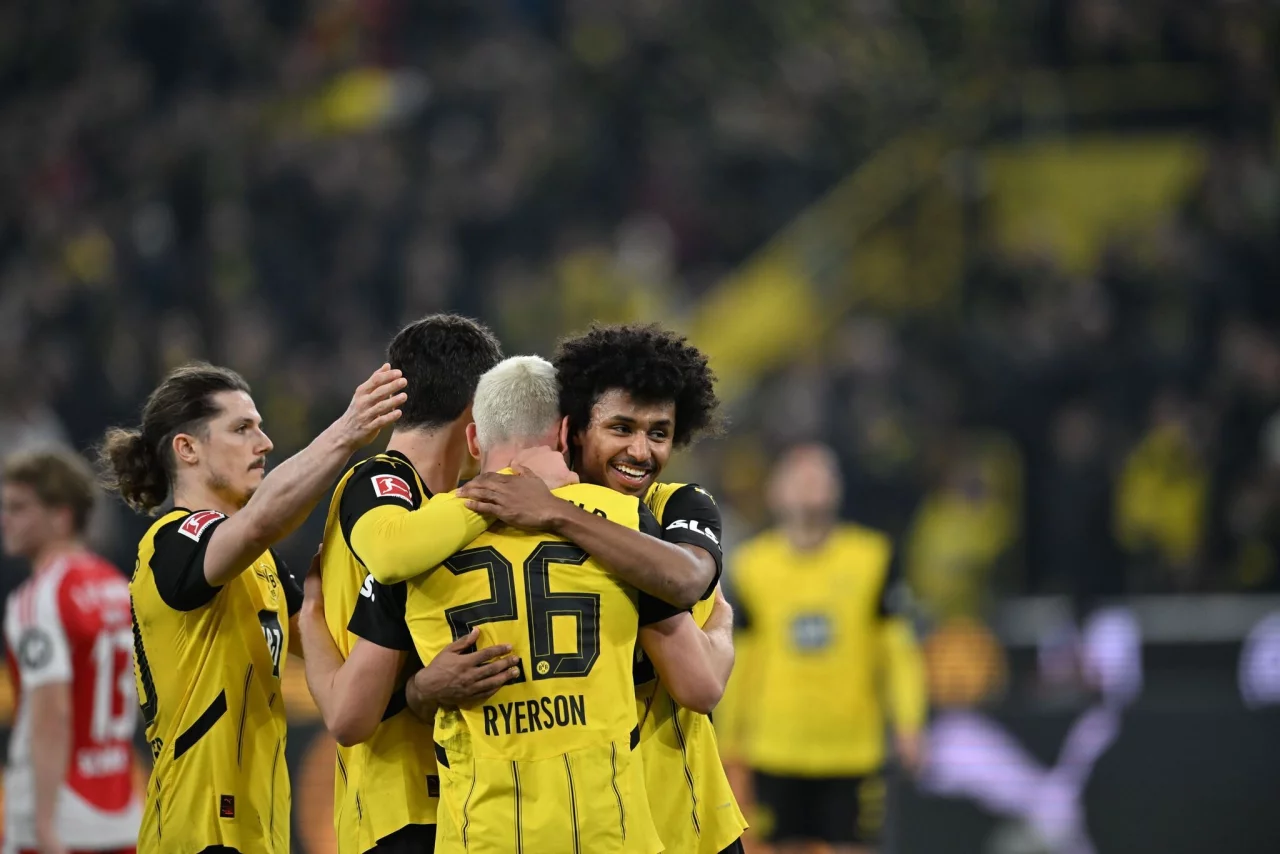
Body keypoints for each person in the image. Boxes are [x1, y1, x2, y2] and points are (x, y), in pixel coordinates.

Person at [406, 355, 730, 854]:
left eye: (659, 434)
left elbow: (687, 587)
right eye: (621, 428)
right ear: (570, 431)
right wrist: (722, 626)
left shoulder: (674, 506)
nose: (640, 451)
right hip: (604, 821)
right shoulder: (515, 516)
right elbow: (702, 679)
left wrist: (555, 511)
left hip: (678, 813)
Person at [98, 360, 406, 854]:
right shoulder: (171, 542)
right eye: (242, 429)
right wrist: (346, 433)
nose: (264, 443)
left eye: (260, 427)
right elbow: (261, 523)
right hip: (198, 831)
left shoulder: (261, 564)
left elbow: (337, 652)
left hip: (261, 834)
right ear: (187, 449)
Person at [297, 314, 532, 854]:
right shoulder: (383, 485)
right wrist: (509, 485)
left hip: (463, 801)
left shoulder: (439, 511)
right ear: (476, 412)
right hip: (401, 807)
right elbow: (350, 714)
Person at [727, 443, 927, 854]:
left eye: (820, 475)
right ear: (775, 491)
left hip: (852, 748)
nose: (809, 485)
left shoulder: (872, 558)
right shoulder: (751, 566)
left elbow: (898, 650)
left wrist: (909, 722)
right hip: (776, 746)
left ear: (838, 488)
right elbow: (740, 658)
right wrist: (728, 742)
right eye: (799, 476)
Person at [1, 448, 140, 854]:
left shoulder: (38, 598)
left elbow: (52, 712)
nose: (5, 519)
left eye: (19, 508)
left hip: (58, 817)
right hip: (121, 809)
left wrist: (44, 825)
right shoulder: (117, 587)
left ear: (61, 516)